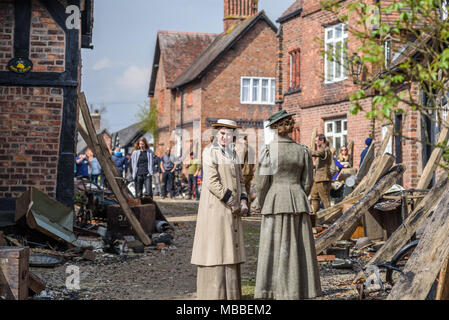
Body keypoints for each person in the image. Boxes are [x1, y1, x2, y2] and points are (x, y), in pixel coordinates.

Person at [254, 110, 321, 300]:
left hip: (275, 199)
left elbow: (261, 183)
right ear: (290, 126)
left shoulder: (268, 151)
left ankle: (272, 291)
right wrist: (298, 195)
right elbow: (308, 182)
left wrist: (263, 202)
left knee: (273, 248)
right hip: (297, 200)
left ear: (275, 128)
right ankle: (299, 289)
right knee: (299, 247)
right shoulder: (302, 151)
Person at [191, 119, 248, 300]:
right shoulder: (210, 152)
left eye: (228, 133)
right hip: (216, 208)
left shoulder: (233, 154)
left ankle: (230, 296)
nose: (224, 136)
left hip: (232, 210)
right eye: (221, 133)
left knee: (230, 248)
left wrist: (244, 199)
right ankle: (214, 295)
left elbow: (240, 181)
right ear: (217, 134)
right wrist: (232, 201)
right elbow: (212, 182)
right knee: (216, 248)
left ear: (233, 136)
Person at [310, 134, 333, 226]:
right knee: (314, 197)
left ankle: (329, 220)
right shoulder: (322, 149)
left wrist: (306, 151)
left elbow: (318, 153)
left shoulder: (325, 149)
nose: (316, 143)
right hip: (317, 178)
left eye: (317, 141)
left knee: (325, 199)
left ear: (322, 140)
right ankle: (313, 220)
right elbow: (319, 164)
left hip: (323, 178)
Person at [241, 135, 255, 216]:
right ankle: (248, 211)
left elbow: (241, 160)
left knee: (242, 191)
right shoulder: (251, 148)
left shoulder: (244, 147)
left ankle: (244, 210)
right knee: (248, 191)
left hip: (243, 172)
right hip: (249, 172)